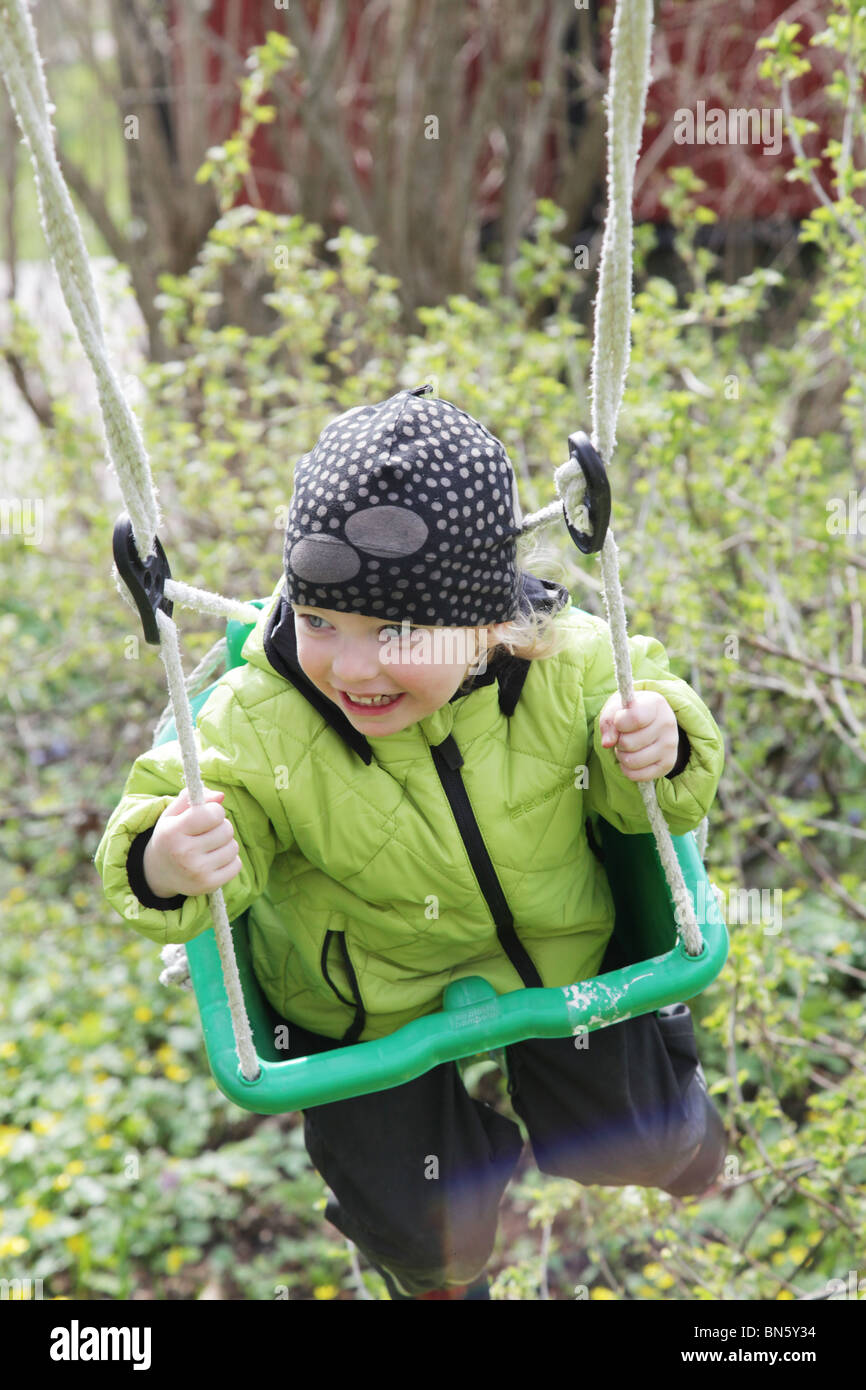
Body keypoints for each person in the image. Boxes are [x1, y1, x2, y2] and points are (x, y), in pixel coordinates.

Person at [95, 385, 727, 1301]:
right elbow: (166, 812)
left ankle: (685, 1137)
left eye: (396, 632)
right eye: (319, 624)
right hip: (358, 1004)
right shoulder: (259, 721)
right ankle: (435, 1273)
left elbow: (654, 806)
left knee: (637, 1137)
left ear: (488, 621)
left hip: (554, 959)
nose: (352, 667)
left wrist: (661, 745)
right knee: (424, 1225)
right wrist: (163, 862)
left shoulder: (577, 667)